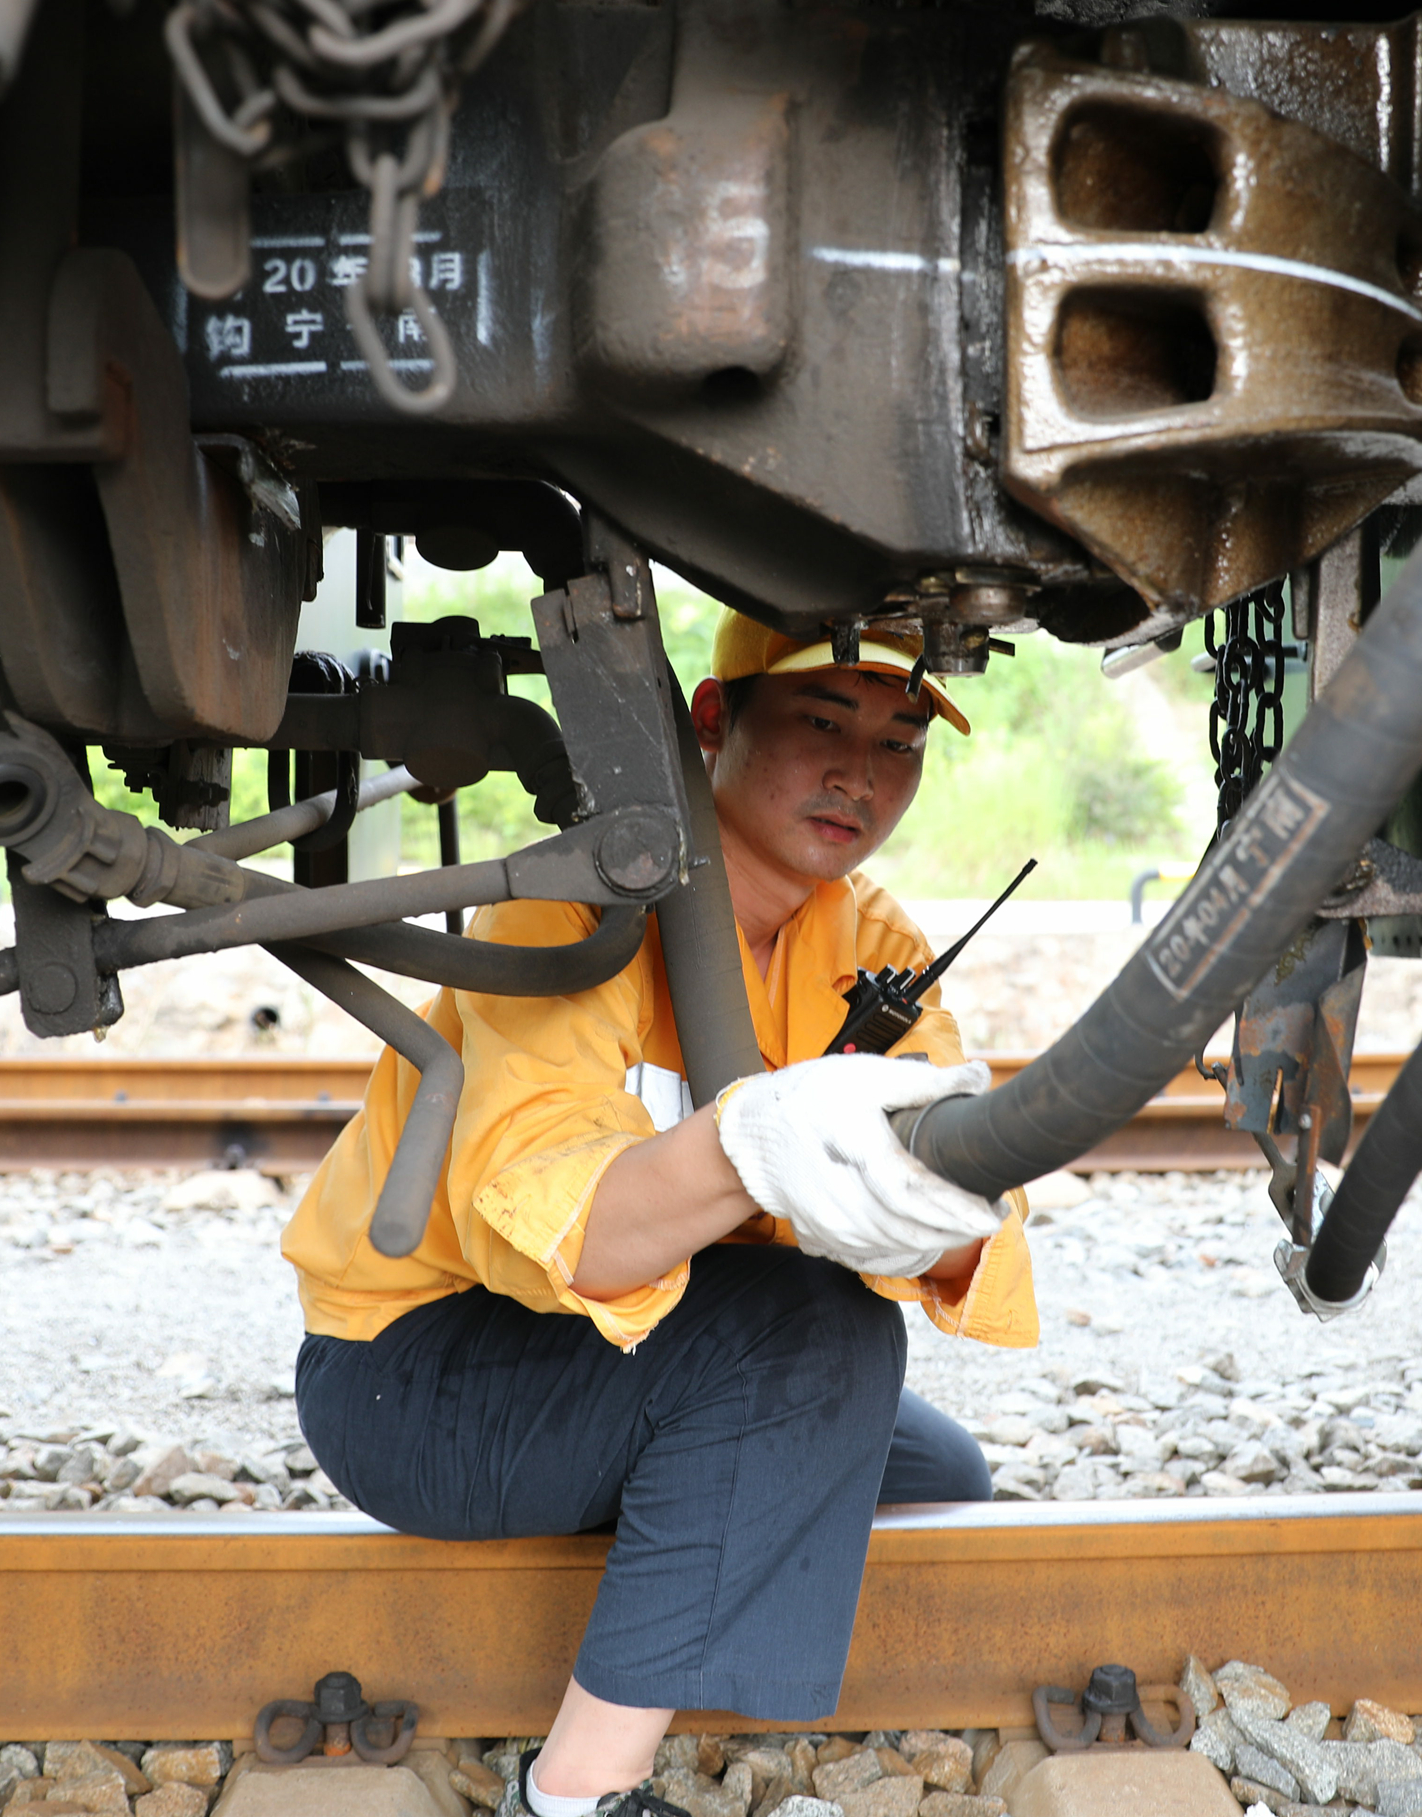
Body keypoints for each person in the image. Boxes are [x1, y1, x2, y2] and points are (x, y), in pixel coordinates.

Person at [280, 611, 1037, 1814]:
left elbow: (968, 1248)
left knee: (935, 1460)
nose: (860, 773)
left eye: (900, 741)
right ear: (711, 724)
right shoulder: (573, 911)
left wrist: (935, 1213)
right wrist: (753, 1145)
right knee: (816, 1335)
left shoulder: (875, 942)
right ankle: (579, 1789)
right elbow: (564, 1232)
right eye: (822, 722)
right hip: (419, 1375)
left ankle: (670, 1529)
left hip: (639, 1352)